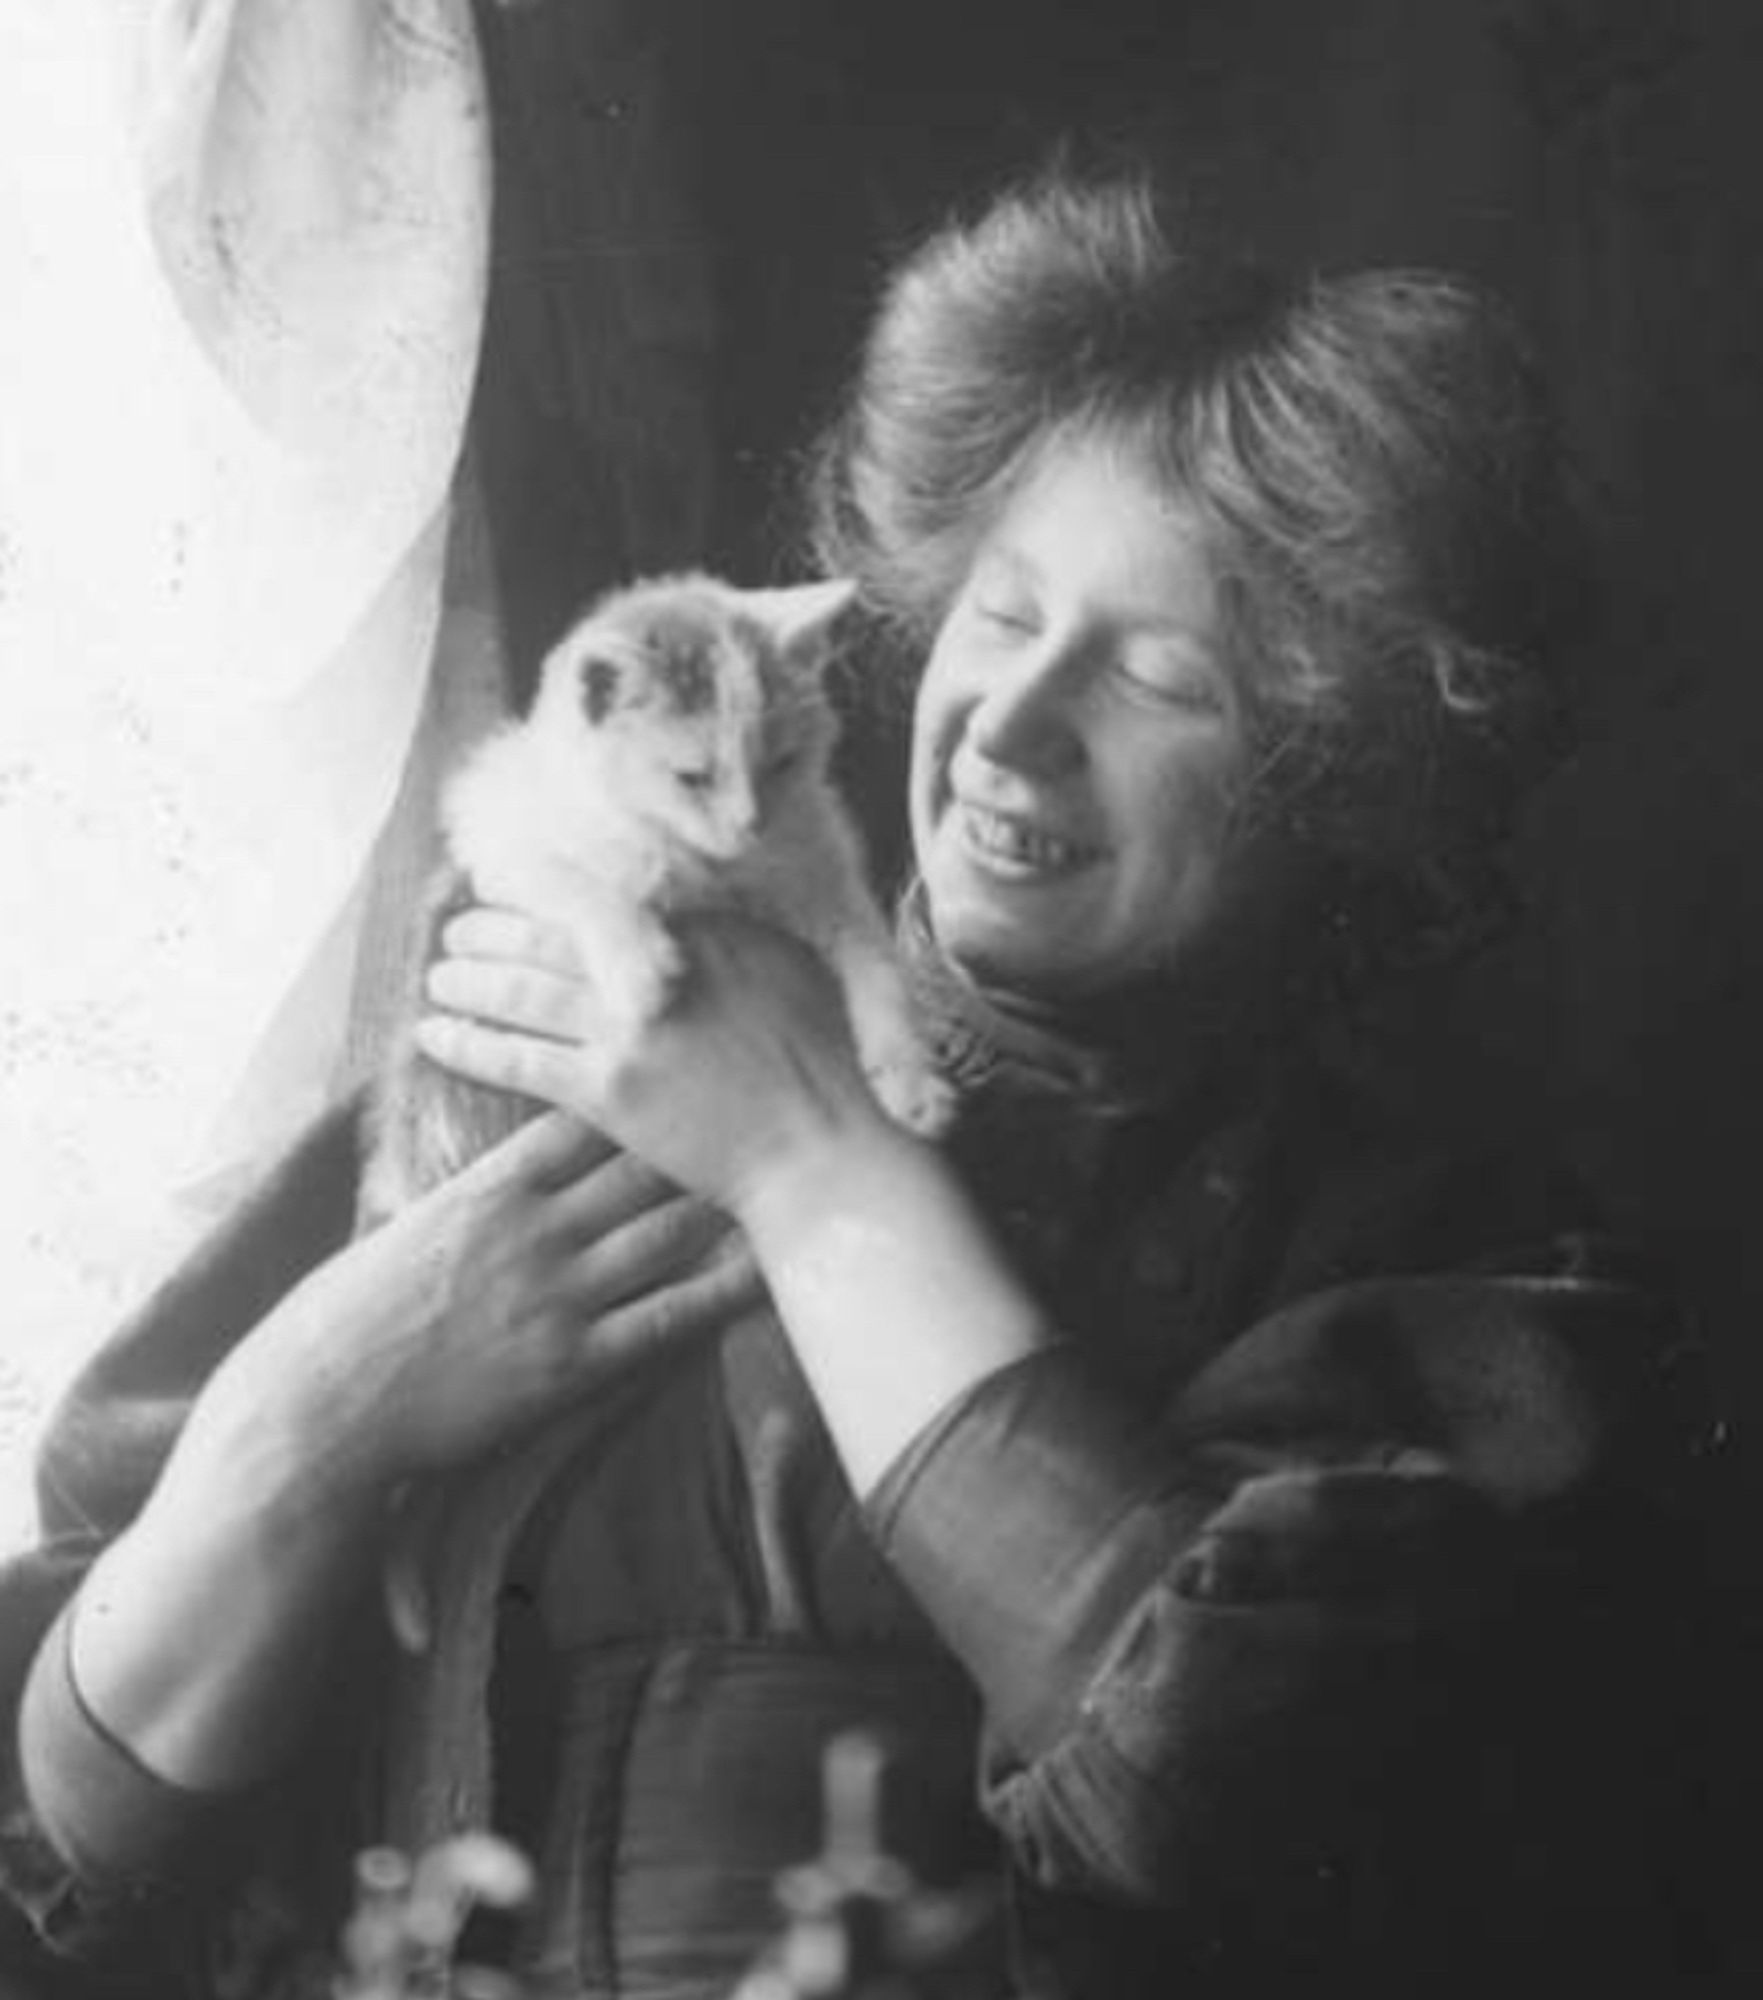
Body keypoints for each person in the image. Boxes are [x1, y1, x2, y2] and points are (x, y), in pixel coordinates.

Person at [0, 171, 1712, 2000]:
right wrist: (305, 1421)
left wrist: (818, 1163)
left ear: (1334, 763)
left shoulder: (1437, 1263)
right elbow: (60, 1860)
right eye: (999, 614)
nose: (1015, 720)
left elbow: (1221, 1795)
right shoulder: (535, 1044)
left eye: (1160, 677)